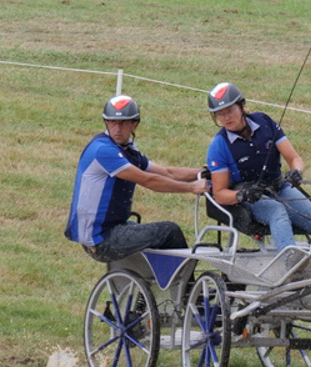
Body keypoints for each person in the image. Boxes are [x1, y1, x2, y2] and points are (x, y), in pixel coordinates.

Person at [65, 95, 208, 263]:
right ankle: (184, 279)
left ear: (134, 124)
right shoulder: (103, 150)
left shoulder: (127, 150)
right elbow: (148, 180)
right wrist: (192, 188)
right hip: (101, 238)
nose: (117, 129)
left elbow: (167, 172)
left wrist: (205, 172)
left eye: (123, 123)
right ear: (106, 123)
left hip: (113, 228)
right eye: (112, 122)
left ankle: (167, 276)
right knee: (169, 231)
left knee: (159, 235)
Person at [204, 82, 311, 249]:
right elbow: (219, 194)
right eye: (220, 114)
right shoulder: (219, 145)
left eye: (229, 111)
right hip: (251, 199)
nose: (226, 118)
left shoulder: (264, 122)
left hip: (280, 188)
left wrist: (297, 171)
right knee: (277, 211)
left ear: (241, 106)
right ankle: (290, 259)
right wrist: (242, 195)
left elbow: (294, 158)